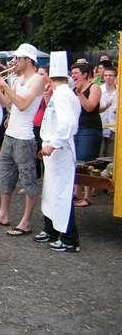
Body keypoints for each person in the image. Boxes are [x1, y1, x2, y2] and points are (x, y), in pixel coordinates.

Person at [0, 44, 45, 235]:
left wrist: (4, 86)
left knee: (28, 180)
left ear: (28, 59)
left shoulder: (37, 80)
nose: (15, 62)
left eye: (18, 59)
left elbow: (24, 104)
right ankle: (3, 214)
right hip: (11, 135)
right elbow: (7, 104)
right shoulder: (18, 80)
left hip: (25, 137)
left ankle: (26, 222)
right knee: (4, 175)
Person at [35, 51, 81, 252]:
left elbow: (67, 123)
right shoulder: (60, 93)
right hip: (54, 150)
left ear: (50, 77)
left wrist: (53, 144)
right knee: (51, 190)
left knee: (61, 192)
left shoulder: (62, 94)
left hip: (59, 150)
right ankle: (52, 228)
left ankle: (70, 238)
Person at [71, 62, 103, 207]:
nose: (73, 75)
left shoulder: (94, 87)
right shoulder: (73, 89)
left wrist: (79, 93)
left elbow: (90, 107)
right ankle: (77, 192)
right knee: (76, 161)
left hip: (90, 129)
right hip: (77, 128)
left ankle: (88, 196)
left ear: (85, 74)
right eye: (72, 73)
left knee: (86, 161)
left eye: (76, 73)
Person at [99, 66, 117, 158]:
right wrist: (105, 107)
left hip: (114, 127)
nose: (107, 77)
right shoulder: (98, 89)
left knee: (111, 156)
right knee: (100, 154)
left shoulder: (120, 91)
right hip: (101, 124)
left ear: (115, 77)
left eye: (110, 75)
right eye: (106, 75)